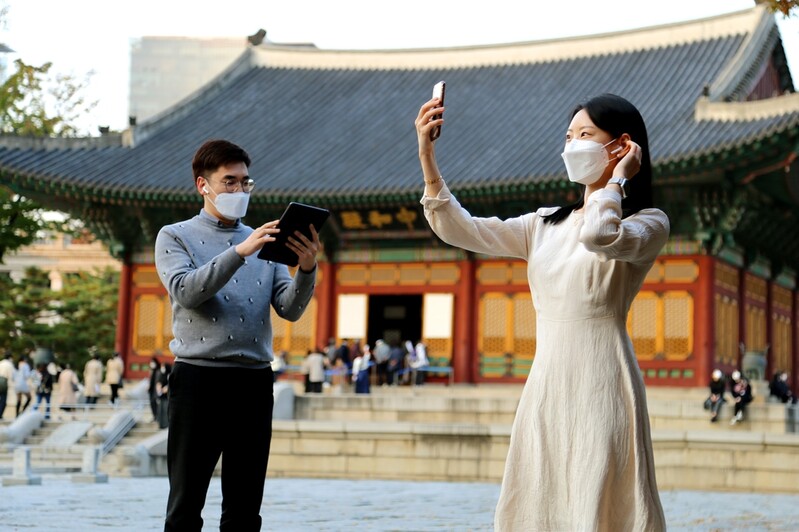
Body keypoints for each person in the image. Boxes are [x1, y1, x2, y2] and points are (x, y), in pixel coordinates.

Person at [415, 92, 668, 530]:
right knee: (540, 495)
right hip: (548, 380)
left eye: (585, 135)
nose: (573, 146)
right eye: (569, 136)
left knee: (600, 495)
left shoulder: (649, 222)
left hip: (604, 377)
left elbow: (600, 235)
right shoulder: (543, 223)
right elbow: (462, 228)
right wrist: (427, 154)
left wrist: (617, 181)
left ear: (622, 145)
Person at [154, 139, 320, 531]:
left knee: (245, 507)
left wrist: (307, 269)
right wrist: (240, 252)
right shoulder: (174, 236)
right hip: (198, 378)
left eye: (245, 182)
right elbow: (187, 290)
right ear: (203, 186)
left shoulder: (266, 239)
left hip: (254, 380)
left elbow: (289, 308)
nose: (239, 191)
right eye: (228, 182)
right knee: (185, 502)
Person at [155, 362, 172, 429]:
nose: (162, 368)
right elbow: (158, 382)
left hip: (167, 396)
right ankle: (160, 424)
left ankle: (166, 424)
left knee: (165, 410)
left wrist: (167, 388)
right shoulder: (161, 374)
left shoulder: (170, 375)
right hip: (161, 395)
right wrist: (159, 388)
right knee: (160, 410)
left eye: (163, 367)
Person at [0, 352, 14, 420]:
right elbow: (11, 376)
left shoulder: (1, 363)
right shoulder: (9, 364)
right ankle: (0, 414)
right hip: (4, 381)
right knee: (3, 399)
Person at [147, 356, 160, 422]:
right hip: (151, 390)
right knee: (152, 403)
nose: (151, 364)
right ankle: (154, 416)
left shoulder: (158, 370)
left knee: (155, 403)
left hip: (156, 390)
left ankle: (157, 416)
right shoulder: (151, 371)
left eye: (153, 362)